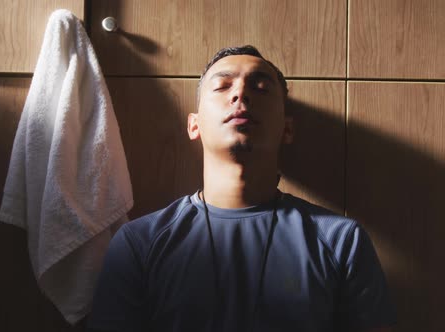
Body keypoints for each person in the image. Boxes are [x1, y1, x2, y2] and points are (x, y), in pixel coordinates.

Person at [87, 45, 396, 332]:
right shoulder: (139, 243)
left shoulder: (341, 241)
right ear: (194, 125)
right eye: (223, 86)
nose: (241, 96)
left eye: (260, 87)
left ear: (287, 127)